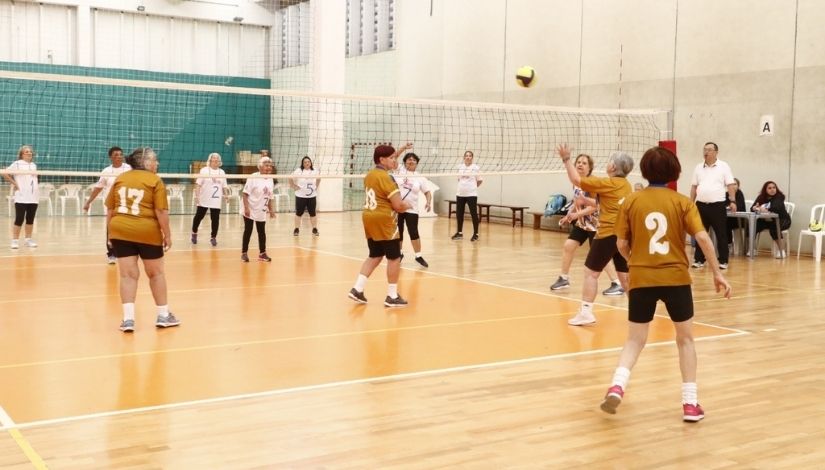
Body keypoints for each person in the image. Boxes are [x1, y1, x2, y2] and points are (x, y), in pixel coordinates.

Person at [599, 146, 731, 422]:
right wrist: (717, 272)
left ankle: (617, 385)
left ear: (645, 172)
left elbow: (621, 243)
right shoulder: (682, 202)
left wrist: (634, 259)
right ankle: (690, 404)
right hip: (675, 279)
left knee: (635, 340)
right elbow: (703, 239)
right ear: (675, 171)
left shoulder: (631, 201)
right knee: (685, 340)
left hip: (642, 278)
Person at [557, 144, 633, 326]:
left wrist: (566, 159)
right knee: (624, 276)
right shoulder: (625, 185)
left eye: (609, 162)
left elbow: (576, 179)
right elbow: (603, 203)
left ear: (613, 167)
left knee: (590, 273)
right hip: (623, 235)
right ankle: (640, 311)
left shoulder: (607, 183)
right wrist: (584, 201)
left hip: (607, 233)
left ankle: (586, 312)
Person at [105, 147, 178, 332]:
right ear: (145, 163)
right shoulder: (155, 180)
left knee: (127, 275)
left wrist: (110, 235)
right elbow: (161, 211)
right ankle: (163, 315)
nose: (157, 163)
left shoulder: (120, 178)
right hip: (146, 231)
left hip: (120, 230)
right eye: (154, 160)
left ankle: (128, 319)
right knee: (156, 273)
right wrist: (167, 234)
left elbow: (110, 211)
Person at [348, 143, 413, 307]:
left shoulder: (370, 175)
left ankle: (357, 288)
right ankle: (392, 295)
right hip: (384, 219)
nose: (394, 160)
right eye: (391, 158)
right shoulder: (387, 177)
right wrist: (408, 204)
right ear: (382, 159)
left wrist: (401, 149)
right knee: (394, 257)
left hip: (368, 216)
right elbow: (398, 205)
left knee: (375, 255)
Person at [550, 153, 624, 296]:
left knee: (601, 255)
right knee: (568, 246)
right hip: (583, 224)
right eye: (578, 162)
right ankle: (564, 278)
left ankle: (617, 283)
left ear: (590, 167)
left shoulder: (593, 183)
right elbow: (577, 201)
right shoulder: (577, 182)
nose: (580, 165)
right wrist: (569, 215)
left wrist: (576, 215)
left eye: (584, 163)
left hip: (596, 224)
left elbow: (596, 206)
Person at [690, 142, 737, 269]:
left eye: (709, 150)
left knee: (721, 233)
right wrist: (691, 203)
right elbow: (694, 186)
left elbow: (730, 185)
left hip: (717, 205)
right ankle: (699, 259)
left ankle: (723, 260)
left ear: (716, 152)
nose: (706, 152)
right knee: (700, 233)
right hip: (701, 205)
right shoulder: (698, 167)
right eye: (705, 149)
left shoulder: (724, 166)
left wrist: (733, 201)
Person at [84, 147, 132, 263]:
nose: (119, 156)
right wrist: (88, 201)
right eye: (116, 155)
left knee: (127, 228)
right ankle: (111, 253)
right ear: (110, 157)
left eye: (121, 154)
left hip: (126, 204)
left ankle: (126, 252)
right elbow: (98, 188)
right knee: (111, 228)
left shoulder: (129, 168)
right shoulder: (106, 171)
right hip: (111, 205)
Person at [393, 152, 433, 268]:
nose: (411, 161)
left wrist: (428, 202)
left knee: (413, 232)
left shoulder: (420, 177)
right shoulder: (400, 170)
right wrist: (404, 148)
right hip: (398, 207)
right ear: (405, 162)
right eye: (409, 159)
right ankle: (399, 254)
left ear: (417, 162)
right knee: (398, 232)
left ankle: (418, 256)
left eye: (414, 160)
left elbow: (427, 192)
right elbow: (394, 157)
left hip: (412, 209)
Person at [241, 156, 276, 262]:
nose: (269, 167)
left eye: (270, 165)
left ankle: (262, 254)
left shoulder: (270, 179)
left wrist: (271, 210)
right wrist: (246, 208)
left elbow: (269, 196)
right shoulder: (253, 177)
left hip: (261, 210)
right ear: (260, 166)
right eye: (266, 165)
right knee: (248, 230)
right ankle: (244, 253)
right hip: (250, 208)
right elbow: (244, 194)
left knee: (262, 232)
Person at [4, 145, 39, 249]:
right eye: (26, 152)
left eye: (30, 152)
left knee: (30, 219)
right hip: (21, 196)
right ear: (21, 154)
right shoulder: (17, 164)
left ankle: (28, 240)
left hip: (33, 196)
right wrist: (14, 184)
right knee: (19, 219)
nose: (29, 153)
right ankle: (15, 241)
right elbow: (5, 173)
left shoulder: (33, 165)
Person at [190, 152, 227, 247]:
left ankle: (213, 237)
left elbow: (224, 186)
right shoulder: (204, 170)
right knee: (199, 217)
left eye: (217, 158)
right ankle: (194, 232)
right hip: (204, 198)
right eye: (213, 158)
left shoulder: (222, 172)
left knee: (215, 219)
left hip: (216, 200)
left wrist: (226, 195)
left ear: (219, 161)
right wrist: (197, 196)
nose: (215, 160)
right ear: (209, 160)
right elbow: (198, 184)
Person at [751, 180, 792, 258]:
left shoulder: (779, 196)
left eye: (774, 187)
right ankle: (752, 249)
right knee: (753, 225)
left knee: (774, 227)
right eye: (769, 188)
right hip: (768, 220)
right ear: (765, 190)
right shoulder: (761, 197)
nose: (772, 189)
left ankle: (781, 251)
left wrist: (764, 209)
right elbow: (752, 208)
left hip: (783, 220)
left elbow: (776, 208)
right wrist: (755, 208)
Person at [451, 150, 483, 242]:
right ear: (464, 157)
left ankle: (476, 234)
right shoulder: (460, 167)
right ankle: (459, 233)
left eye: (470, 156)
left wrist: (472, 187)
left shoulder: (476, 168)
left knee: (473, 214)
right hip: (460, 194)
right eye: (466, 156)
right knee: (459, 214)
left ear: (472, 158)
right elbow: (459, 179)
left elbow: (480, 180)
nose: (468, 157)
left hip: (471, 194)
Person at [290, 156, 321, 236]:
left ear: (310, 163)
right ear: (303, 164)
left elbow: (319, 179)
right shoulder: (299, 171)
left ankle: (314, 229)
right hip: (300, 196)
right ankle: (296, 229)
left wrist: (316, 187)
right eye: (305, 162)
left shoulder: (315, 171)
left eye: (308, 162)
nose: (307, 163)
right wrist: (294, 186)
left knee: (313, 213)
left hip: (312, 196)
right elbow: (290, 178)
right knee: (299, 213)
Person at [725, 177, 747, 249]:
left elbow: (740, 207)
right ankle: (728, 244)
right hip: (729, 218)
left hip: (739, 219)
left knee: (726, 223)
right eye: (731, 184)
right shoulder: (725, 194)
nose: (733, 186)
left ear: (738, 186)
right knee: (723, 223)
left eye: (735, 184)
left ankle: (730, 244)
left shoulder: (739, 194)